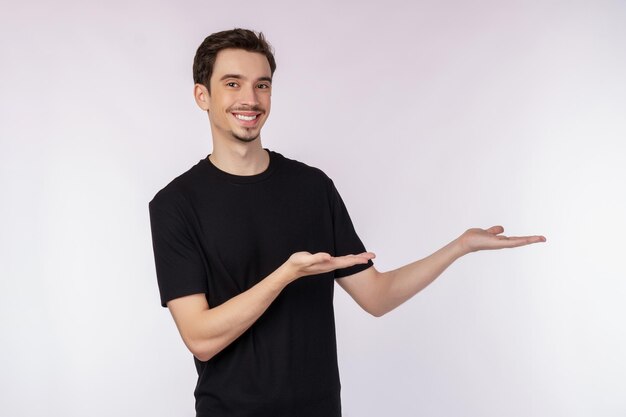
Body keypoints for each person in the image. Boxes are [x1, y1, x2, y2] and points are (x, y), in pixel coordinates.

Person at [148, 28, 546, 417]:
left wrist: (460, 246)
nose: (250, 99)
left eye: (262, 85)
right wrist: (285, 275)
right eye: (232, 84)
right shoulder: (175, 205)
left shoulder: (312, 187)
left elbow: (377, 296)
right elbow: (200, 339)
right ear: (203, 95)